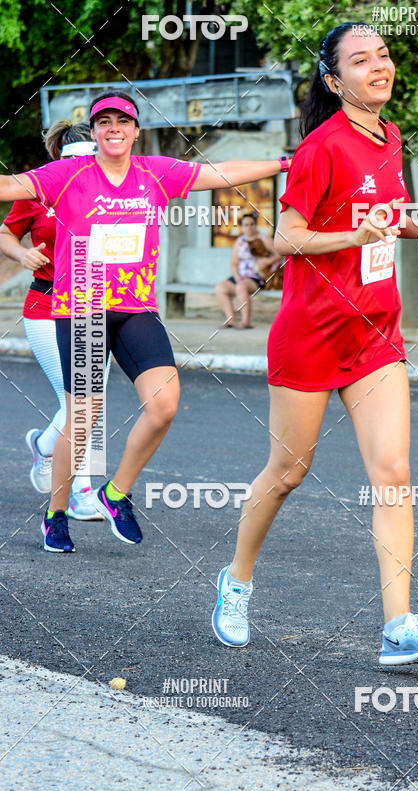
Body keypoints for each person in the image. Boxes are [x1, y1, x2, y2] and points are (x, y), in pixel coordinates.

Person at [212, 23, 418, 667]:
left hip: (375, 332)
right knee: (288, 472)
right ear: (334, 80)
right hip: (312, 334)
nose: (379, 66)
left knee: (394, 475)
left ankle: (398, 625)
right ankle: (235, 582)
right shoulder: (321, 148)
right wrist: (353, 238)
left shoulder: (389, 137)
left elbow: (386, 215)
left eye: (383, 55)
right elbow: (285, 237)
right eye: (360, 60)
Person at [0, 90, 290, 553]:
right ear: (95, 132)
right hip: (82, 307)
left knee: (165, 404)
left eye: (123, 122)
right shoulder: (68, 173)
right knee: (83, 416)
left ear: (136, 131)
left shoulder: (155, 171)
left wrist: (283, 163)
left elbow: (220, 173)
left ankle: (115, 494)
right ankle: (55, 515)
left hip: (135, 308)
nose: (113, 129)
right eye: (104, 122)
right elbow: (9, 186)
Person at [0, 120, 108, 523]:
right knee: (80, 402)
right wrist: (22, 254)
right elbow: (6, 233)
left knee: (90, 401)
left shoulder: (113, 192)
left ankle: (45, 447)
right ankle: (81, 492)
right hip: (46, 305)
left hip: (97, 305)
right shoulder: (39, 188)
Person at [215, 212, 279, 328]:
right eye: (246, 225)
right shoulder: (240, 241)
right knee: (220, 288)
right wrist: (236, 276)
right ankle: (231, 320)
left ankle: (246, 322)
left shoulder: (264, 239)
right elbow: (234, 262)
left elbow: (280, 254)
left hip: (258, 276)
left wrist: (268, 261)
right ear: (242, 227)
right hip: (241, 275)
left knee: (241, 287)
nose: (249, 227)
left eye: (251, 224)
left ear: (256, 225)